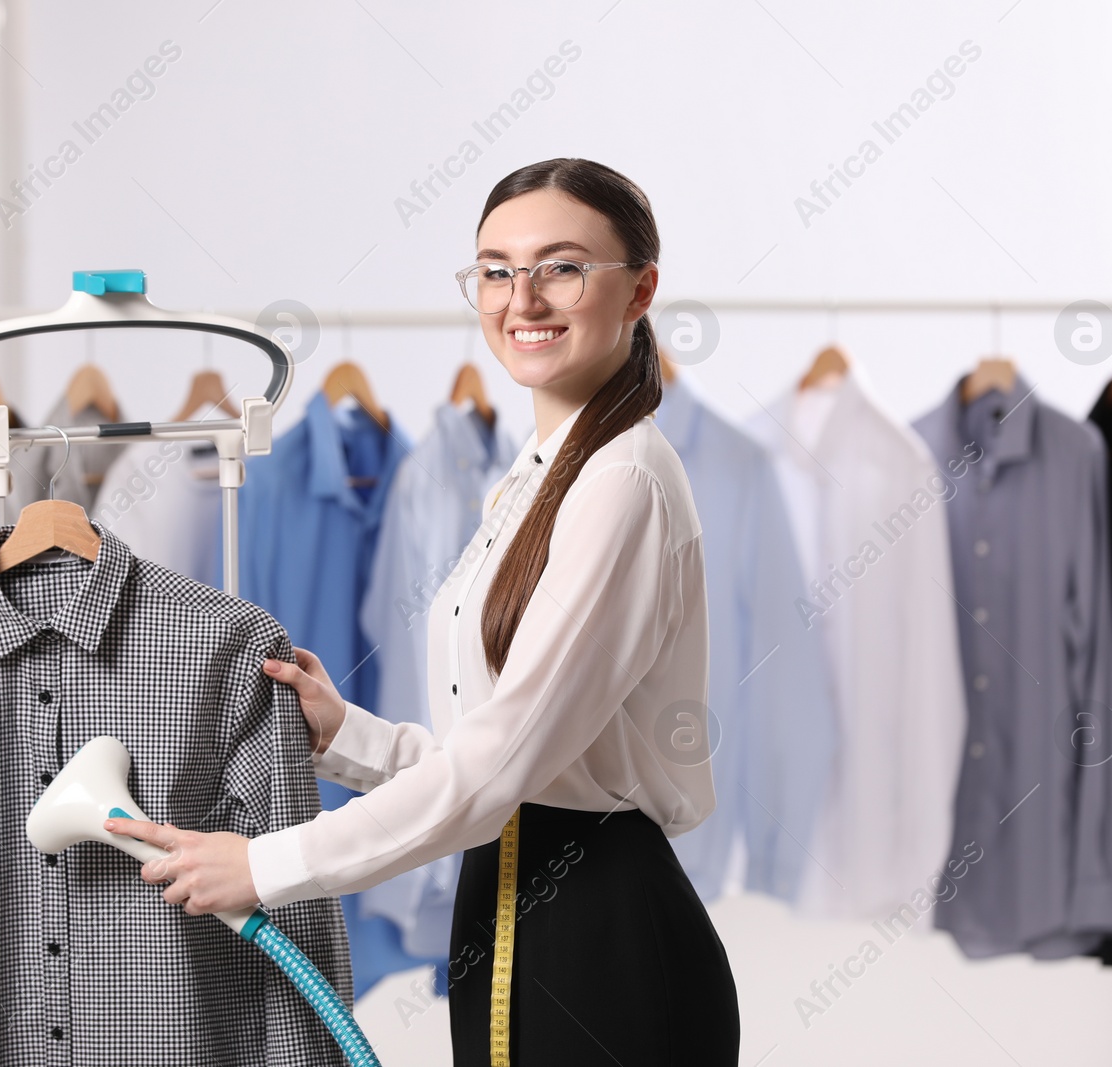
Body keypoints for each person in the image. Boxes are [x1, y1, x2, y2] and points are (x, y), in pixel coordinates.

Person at [108, 157, 740, 1064]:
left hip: (603, 944)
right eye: (496, 269)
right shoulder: (533, 478)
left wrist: (264, 866)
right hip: (514, 916)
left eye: (561, 266)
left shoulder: (623, 482)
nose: (523, 297)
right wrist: (346, 735)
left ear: (640, 289)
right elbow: (509, 759)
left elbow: (498, 770)